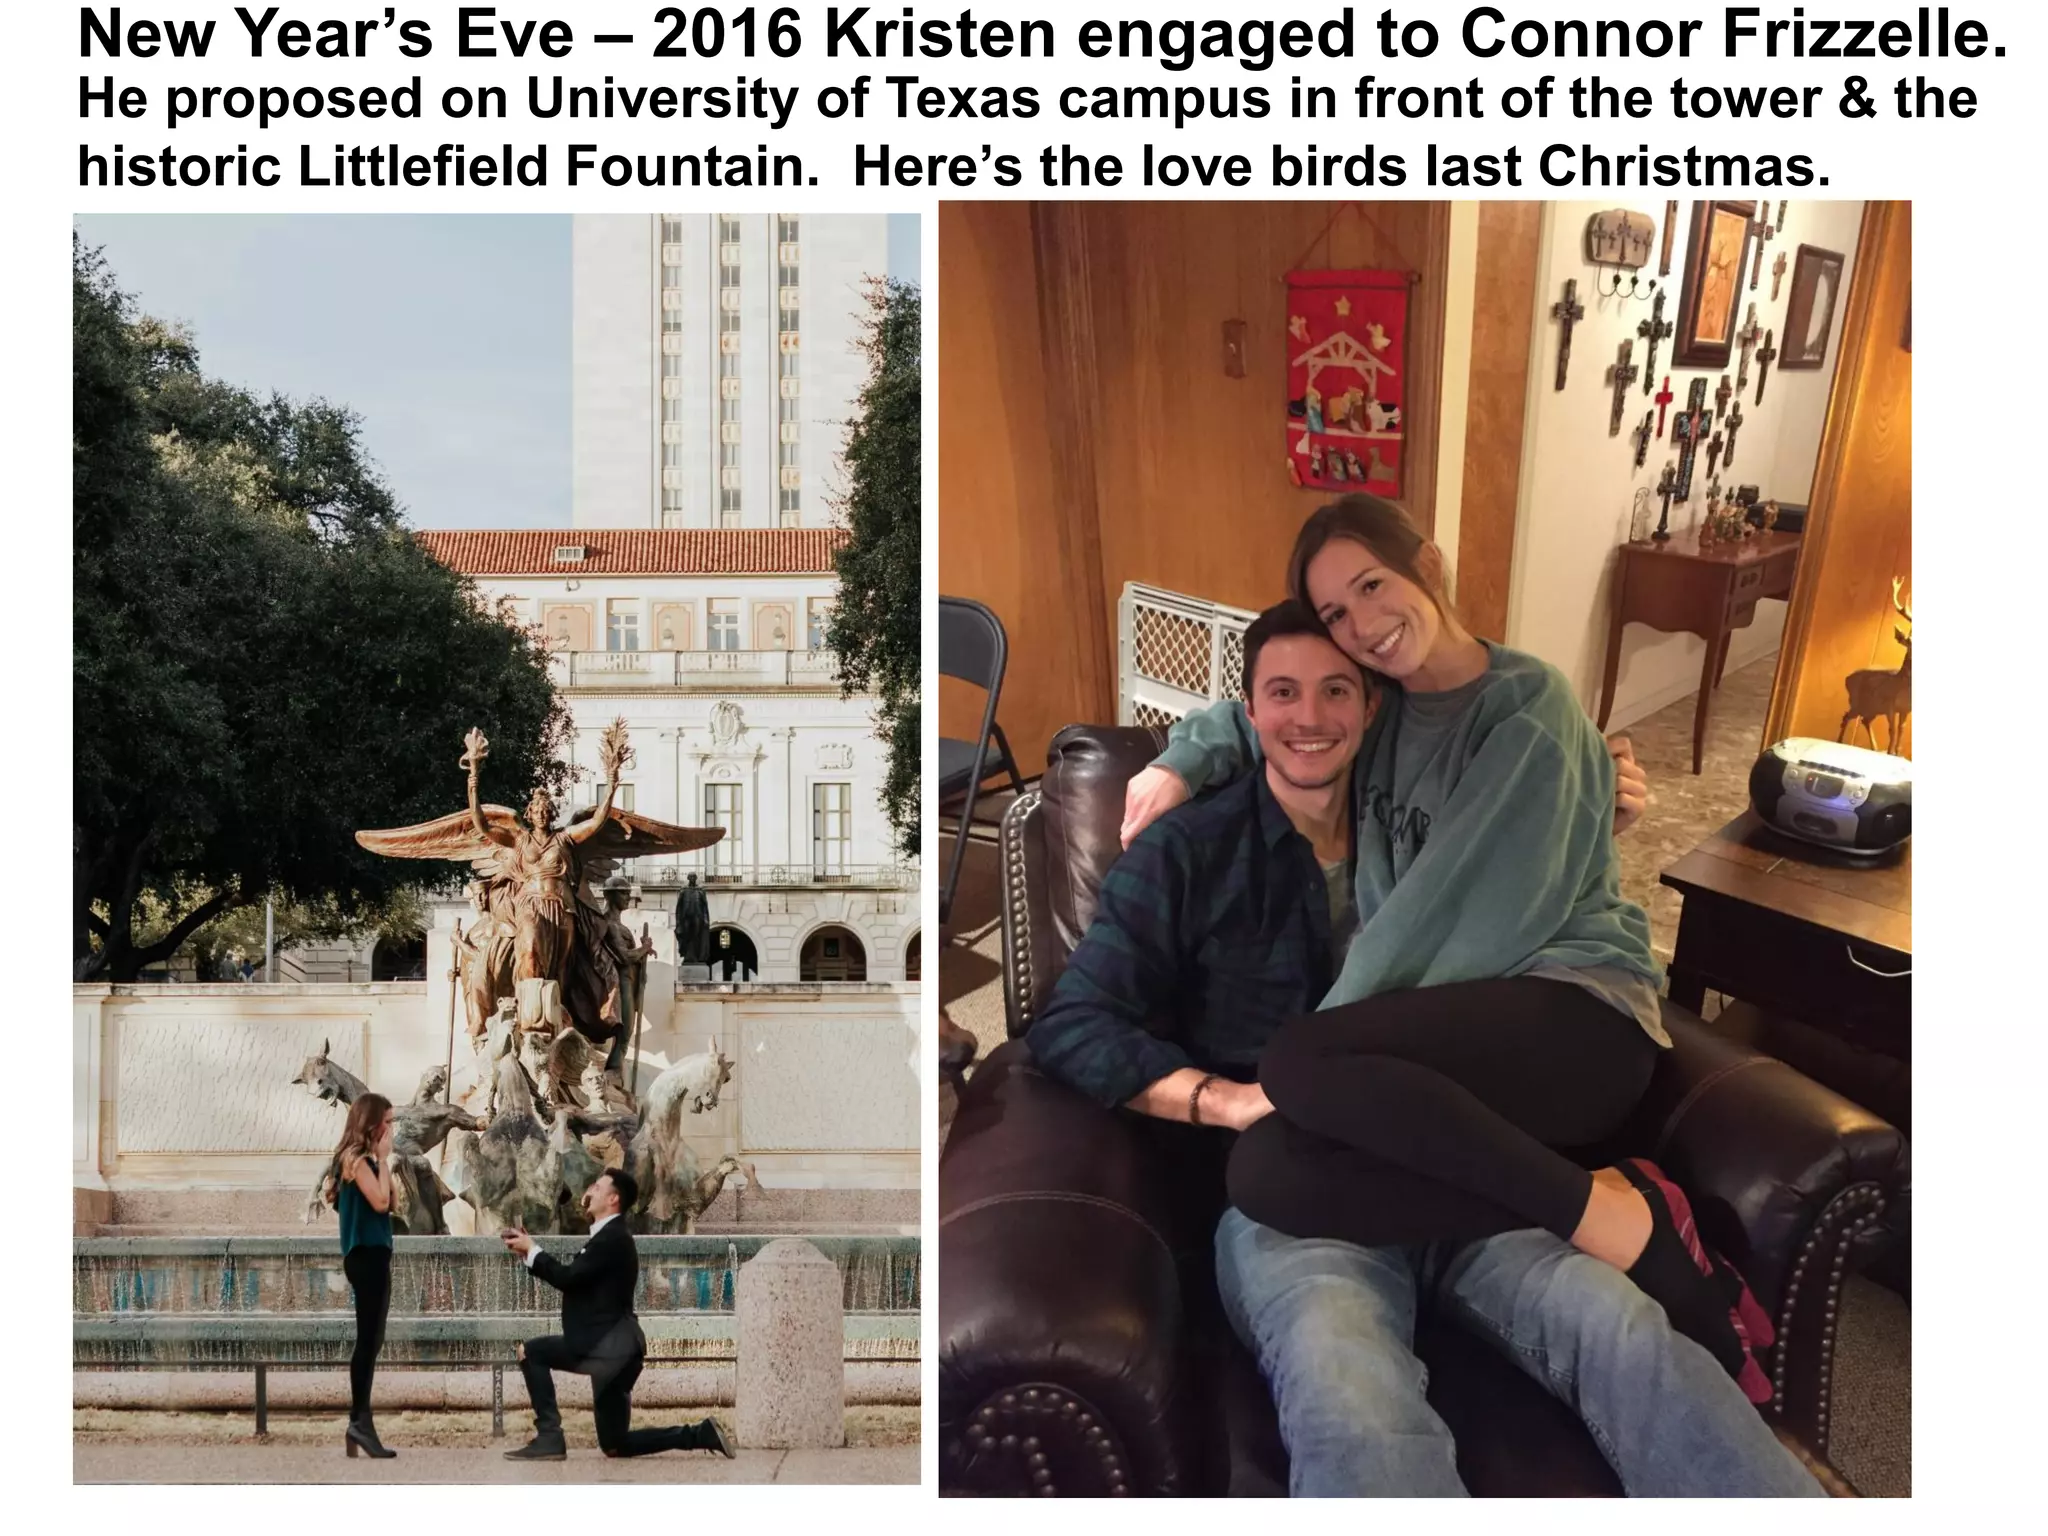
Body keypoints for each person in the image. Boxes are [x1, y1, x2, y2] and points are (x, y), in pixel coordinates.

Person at [1030, 599, 1816, 1496]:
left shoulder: (1435, 821)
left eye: (1338, 691)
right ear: (1249, 716)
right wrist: (1228, 1100)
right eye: (1282, 694)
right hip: (1298, 1203)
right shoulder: (1189, 852)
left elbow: (1533, 844)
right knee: (1356, 1399)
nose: (1312, 717)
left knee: (1630, 1338)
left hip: (1458, 1171)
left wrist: (1587, 810)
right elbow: (1073, 1021)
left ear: (1373, 708)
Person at [1116, 497, 1759, 1391]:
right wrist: (1179, 755)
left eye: (1373, 586)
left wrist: (1327, 1057)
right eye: (1338, 613)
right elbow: (1270, 711)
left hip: (1577, 1019)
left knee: (1299, 1062)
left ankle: (1632, 1226)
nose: (1364, 624)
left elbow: (1467, 925)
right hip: (1464, 1055)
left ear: (1432, 566)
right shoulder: (1378, 714)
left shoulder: (1526, 709)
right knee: (1264, 1175)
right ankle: (1597, 1188)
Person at [500, 1168, 736, 1461]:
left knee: (530, 1352)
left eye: (597, 1187)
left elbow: (569, 1278)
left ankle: (549, 1437)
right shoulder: (608, 1237)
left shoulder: (612, 1238)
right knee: (615, 1444)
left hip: (605, 1348)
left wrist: (533, 1250)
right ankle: (698, 1434)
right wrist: (529, 1253)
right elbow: (579, 1281)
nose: (591, 1190)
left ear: (613, 1199)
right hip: (617, 1351)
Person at [326, 1092, 397, 1459]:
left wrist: (383, 1162)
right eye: (389, 1120)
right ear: (372, 1123)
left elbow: (394, 1202)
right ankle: (359, 1420)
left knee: (373, 1339)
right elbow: (382, 1202)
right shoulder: (353, 1160)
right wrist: (383, 1161)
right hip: (365, 1257)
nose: (392, 1128)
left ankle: (360, 1422)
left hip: (374, 1256)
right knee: (368, 1341)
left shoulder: (365, 1160)